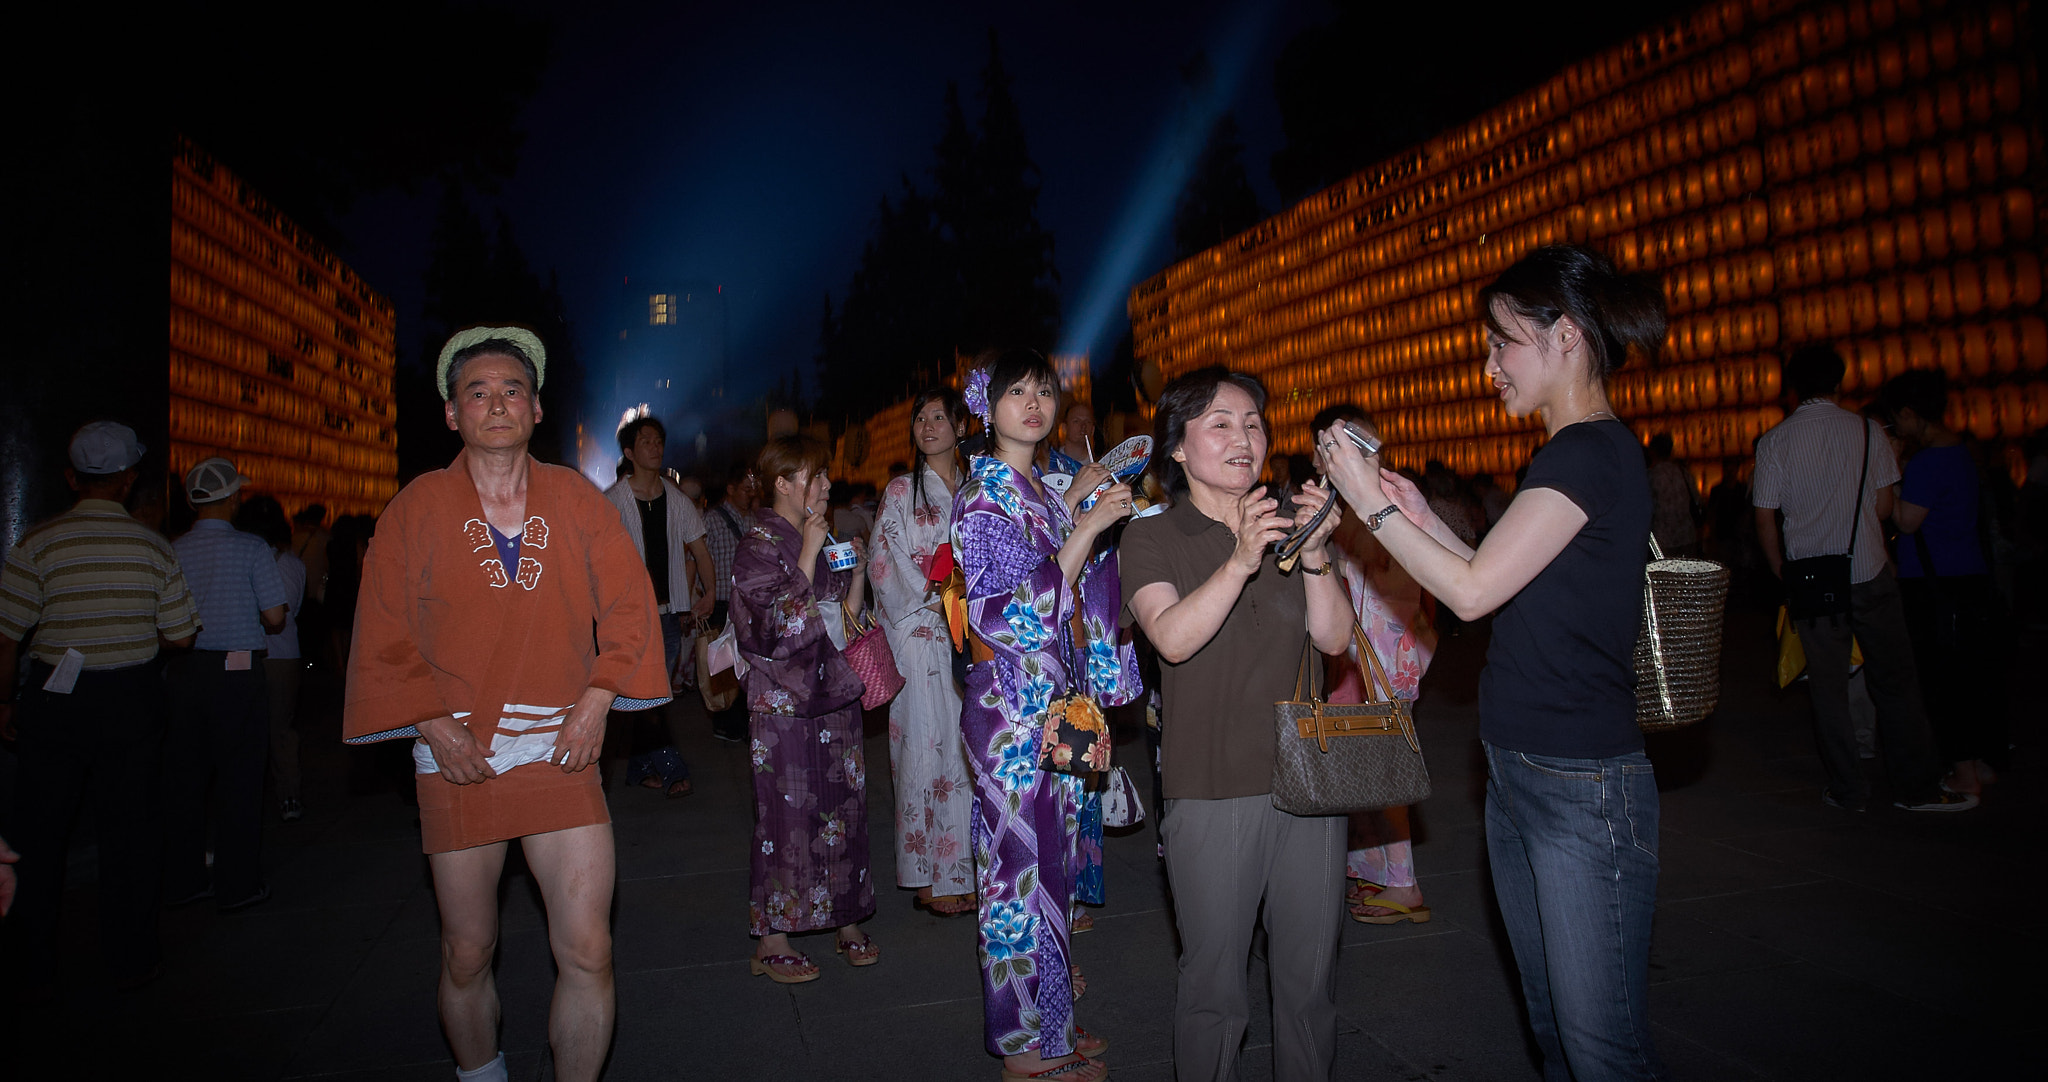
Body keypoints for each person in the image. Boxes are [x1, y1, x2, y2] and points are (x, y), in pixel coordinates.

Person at [1320, 244, 1672, 1080]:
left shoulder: (1589, 453)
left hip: (1584, 784)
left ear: (1567, 337)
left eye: (1501, 343)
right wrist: (1417, 515)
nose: (1489, 366)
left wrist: (1369, 503)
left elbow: (1472, 596)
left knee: (1600, 1048)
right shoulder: (1567, 457)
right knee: (1555, 1029)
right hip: (1524, 769)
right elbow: (1503, 578)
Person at [343, 326, 669, 1082]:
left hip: (561, 748)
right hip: (459, 753)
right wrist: (430, 723)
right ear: (452, 414)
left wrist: (597, 700)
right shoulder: (415, 509)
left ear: (537, 406)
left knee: (588, 947)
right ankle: (481, 1073)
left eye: (512, 389)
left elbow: (628, 607)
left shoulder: (578, 501)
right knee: (468, 948)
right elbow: (385, 630)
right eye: (477, 392)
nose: (497, 403)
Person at [1121, 366, 1351, 1082]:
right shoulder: (1153, 537)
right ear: (1179, 447)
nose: (1243, 436)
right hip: (1213, 784)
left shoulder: (1291, 523)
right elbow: (1173, 638)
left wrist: (1313, 558)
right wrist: (1241, 560)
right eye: (1219, 422)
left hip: (1308, 781)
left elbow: (1336, 639)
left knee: (1309, 988)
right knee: (1216, 991)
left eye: (1252, 421)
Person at [953, 348, 1140, 1081]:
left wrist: (1076, 511)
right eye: (1017, 392)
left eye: (1044, 391)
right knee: (1016, 876)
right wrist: (1086, 530)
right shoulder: (981, 496)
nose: (1033, 403)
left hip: (1049, 702)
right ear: (987, 406)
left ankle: (1052, 1026)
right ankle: (1024, 1048)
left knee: (1050, 868)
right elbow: (1005, 616)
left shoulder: (1031, 489)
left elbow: (1067, 584)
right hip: (1008, 708)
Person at [0, 422, 198, 992]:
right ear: (129, 478)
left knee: (39, 833)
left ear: (71, 478)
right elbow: (181, 636)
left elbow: (7, 634)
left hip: (54, 698)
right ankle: (133, 956)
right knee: (131, 831)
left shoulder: (38, 542)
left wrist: (3, 700)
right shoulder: (152, 545)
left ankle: (30, 962)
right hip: (130, 697)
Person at [1751, 344, 1971, 813]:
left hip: (1811, 580)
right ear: (1839, 382)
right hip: (1868, 571)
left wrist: (1780, 568)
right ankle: (1915, 786)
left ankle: (1848, 788)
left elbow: (1766, 518)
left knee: (1828, 691)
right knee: (1896, 682)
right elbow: (1885, 508)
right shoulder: (1869, 432)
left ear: (1792, 387)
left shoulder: (1774, 441)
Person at [730, 435, 878, 983]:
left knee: (844, 808)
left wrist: (856, 572)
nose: (826, 485)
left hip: (833, 691)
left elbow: (845, 616)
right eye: (815, 477)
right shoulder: (758, 546)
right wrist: (811, 552)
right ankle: (773, 938)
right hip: (783, 703)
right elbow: (770, 630)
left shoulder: (820, 533)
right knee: (785, 819)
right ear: (784, 485)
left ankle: (846, 916)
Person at [1309, 404, 1438, 928]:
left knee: (1383, 766)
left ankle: (1404, 883)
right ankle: (1375, 870)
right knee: (1361, 760)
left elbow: (1385, 566)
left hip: (1387, 650)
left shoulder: (1382, 502)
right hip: (1377, 649)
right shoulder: (1359, 501)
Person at [165, 455, 291, 911]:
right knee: (240, 779)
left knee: (185, 780)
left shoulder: (173, 549)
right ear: (233, 498)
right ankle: (237, 884)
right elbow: (275, 617)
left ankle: (184, 878)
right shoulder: (252, 548)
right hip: (237, 674)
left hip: (183, 672)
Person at [868, 386, 977, 916]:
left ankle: (964, 866)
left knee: (965, 743)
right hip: (919, 631)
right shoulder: (899, 492)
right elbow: (884, 561)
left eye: (939, 417)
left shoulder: (976, 487)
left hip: (969, 629)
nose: (928, 426)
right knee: (922, 744)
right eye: (920, 419)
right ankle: (929, 875)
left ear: (960, 425)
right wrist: (939, 600)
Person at [1880, 370, 2007, 797]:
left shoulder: (1929, 460)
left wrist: (1889, 477)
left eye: (1898, 419)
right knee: (1971, 675)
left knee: (1943, 678)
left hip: (1936, 583)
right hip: (1968, 574)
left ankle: (1963, 772)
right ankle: (1981, 763)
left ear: (1910, 414)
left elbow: (1907, 520)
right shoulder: (1961, 452)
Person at [603, 414, 716, 798]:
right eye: (646, 441)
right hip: (629, 616)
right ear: (630, 452)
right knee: (650, 691)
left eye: (658, 441)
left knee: (653, 692)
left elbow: (700, 548)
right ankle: (671, 767)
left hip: (669, 613)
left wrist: (708, 593)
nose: (655, 447)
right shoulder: (612, 502)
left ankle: (638, 767)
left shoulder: (677, 499)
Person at [234, 495, 309, 822]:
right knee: (277, 728)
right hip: (278, 654)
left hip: (259, 654)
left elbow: (276, 615)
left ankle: (273, 795)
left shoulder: (251, 560)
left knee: (260, 727)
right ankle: (285, 795)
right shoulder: (289, 563)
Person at [704, 460, 760, 741]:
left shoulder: (754, 519)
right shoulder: (712, 519)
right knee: (725, 665)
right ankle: (725, 722)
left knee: (745, 663)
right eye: (745, 489)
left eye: (753, 489)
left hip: (748, 602)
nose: (750, 494)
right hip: (724, 601)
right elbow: (700, 560)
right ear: (730, 489)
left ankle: (739, 722)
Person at [1646, 433, 1702, 557]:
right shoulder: (1683, 472)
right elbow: (1697, 499)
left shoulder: (1651, 476)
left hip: (1663, 538)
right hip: (1687, 534)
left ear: (1653, 451)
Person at [1049, 397, 1097, 474]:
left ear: (1093, 430)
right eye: (1076, 421)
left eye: (1088, 422)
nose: (1083, 426)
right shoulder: (1051, 463)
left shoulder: (1099, 465)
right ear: (1064, 428)